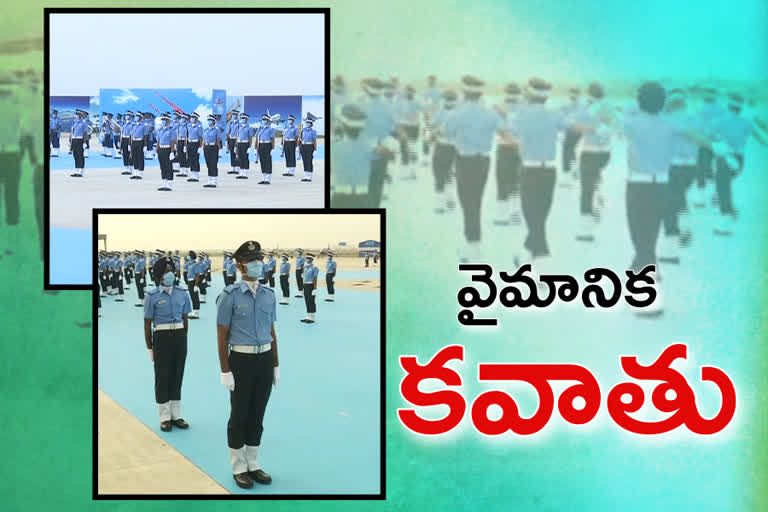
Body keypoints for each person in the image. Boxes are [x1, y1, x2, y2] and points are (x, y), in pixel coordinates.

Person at [216, 240, 279, 489]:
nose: (258, 265)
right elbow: (222, 335)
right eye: (252, 260)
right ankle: (238, 467)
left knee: (258, 413)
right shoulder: (229, 296)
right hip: (240, 361)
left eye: (259, 259)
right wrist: (225, 370)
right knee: (239, 414)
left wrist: (276, 364)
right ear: (241, 265)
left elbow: (272, 332)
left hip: (264, 359)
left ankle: (253, 464)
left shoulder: (268, 295)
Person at [443, 75, 502, 262]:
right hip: (484, 161)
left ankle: (473, 245)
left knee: (468, 203)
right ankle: (474, 243)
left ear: (464, 91)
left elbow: (447, 132)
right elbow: (504, 130)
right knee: (476, 201)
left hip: (465, 161)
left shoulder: (457, 113)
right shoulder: (491, 113)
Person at [144, 256, 192, 432]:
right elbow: (147, 324)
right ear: (158, 275)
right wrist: (150, 348)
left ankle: (176, 415)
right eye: (165, 271)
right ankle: (164, 416)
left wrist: (182, 337)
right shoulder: (152, 296)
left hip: (179, 335)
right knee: (162, 376)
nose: (169, 274)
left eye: (171, 270)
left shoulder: (182, 293)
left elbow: (186, 319)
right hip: (161, 337)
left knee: (177, 374)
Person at [710, 92, 767, 235]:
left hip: (724, 158)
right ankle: (728, 209)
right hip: (739, 160)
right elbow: (761, 139)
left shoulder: (718, 121)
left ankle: (726, 219)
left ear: (728, 105)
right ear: (740, 108)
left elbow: (707, 137)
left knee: (723, 187)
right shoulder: (747, 122)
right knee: (725, 185)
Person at [156, 113, 178, 192]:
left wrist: (172, 152)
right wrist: (157, 151)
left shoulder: (171, 130)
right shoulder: (160, 130)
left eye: (164, 120)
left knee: (168, 167)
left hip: (168, 149)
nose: (163, 121)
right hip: (161, 149)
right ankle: (164, 182)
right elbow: (158, 141)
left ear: (168, 120)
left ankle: (169, 183)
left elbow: (173, 142)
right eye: (162, 120)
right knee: (162, 167)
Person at [203, 114, 222, 188]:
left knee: (213, 164)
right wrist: (203, 147)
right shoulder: (206, 129)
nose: (209, 121)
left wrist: (220, 149)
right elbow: (204, 140)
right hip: (207, 147)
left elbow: (218, 140)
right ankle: (209, 180)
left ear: (214, 121)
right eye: (208, 120)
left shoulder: (217, 129)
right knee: (208, 164)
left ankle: (214, 181)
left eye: (210, 120)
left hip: (214, 147)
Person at [298, 113, 319, 182]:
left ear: (311, 124)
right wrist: (298, 147)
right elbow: (300, 139)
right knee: (304, 161)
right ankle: (305, 175)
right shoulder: (303, 130)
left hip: (310, 147)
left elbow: (314, 141)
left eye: (308, 123)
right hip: (303, 146)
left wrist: (315, 150)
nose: (306, 123)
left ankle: (309, 176)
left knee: (309, 161)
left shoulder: (313, 132)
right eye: (306, 122)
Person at [257, 114, 276, 184]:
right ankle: (263, 178)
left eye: (265, 119)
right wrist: (257, 148)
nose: (263, 121)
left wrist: (273, 148)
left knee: (268, 161)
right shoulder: (260, 128)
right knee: (262, 161)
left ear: (268, 121)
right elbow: (257, 138)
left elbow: (273, 139)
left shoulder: (271, 129)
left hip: (268, 145)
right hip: (261, 144)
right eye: (263, 119)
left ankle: (268, 179)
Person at [69, 109, 89, 177]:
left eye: (77, 114)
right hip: (74, 140)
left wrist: (84, 142)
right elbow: (72, 132)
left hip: (80, 140)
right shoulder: (75, 123)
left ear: (80, 115)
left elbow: (85, 133)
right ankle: (76, 170)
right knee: (75, 155)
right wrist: (70, 141)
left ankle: (80, 171)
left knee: (80, 155)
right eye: (76, 114)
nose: (76, 115)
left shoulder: (84, 122)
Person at [129, 110, 148, 180]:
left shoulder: (144, 125)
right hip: (134, 141)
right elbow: (131, 134)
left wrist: (145, 146)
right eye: (136, 116)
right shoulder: (133, 125)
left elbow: (145, 136)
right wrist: (129, 144)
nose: (136, 117)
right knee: (134, 157)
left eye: (137, 116)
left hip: (140, 141)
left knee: (140, 157)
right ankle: (135, 172)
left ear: (140, 117)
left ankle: (140, 172)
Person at [300, 253, 319, 323]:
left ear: (311, 259)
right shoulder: (305, 267)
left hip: (311, 285)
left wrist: (314, 288)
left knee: (311, 301)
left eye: (308, 258)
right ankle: (308, 315)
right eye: (306, 258)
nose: (306, 260)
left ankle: (312, 317)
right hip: (306, 285)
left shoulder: (314, 267)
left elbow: (315, 278)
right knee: (307, 300)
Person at [236, 113, 254, 179]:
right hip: (239, 143)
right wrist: (236, 145)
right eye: (241, 118)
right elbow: (237, 136)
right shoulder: (239, 127)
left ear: (247, 119)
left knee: (245, 158)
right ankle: (241, 172)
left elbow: (250, 138)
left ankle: (245, 173)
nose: (242, 119)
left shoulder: (249, 127)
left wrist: (249, 147)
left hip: (245, 144)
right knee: (240, 157)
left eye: (244, 118)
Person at [186, 112, 203, 183]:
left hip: (196, 143)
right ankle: (192, 175)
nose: (192, 118)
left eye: (193, 117)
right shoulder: (188, 125)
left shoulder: (199, 126)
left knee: (195, 159)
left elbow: (201, 137)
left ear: (196, 118)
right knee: (190, 159)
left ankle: (196, 175)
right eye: (191, 117)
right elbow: (187, 135)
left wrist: (200, 146)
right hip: (190, 143)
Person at [186, 250, 202, 319]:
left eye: (189, 255)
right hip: (190, 282)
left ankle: (196, 313)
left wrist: (196, 285)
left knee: (195, 297)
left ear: (191, 256)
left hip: (193, 282)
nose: (187, 256)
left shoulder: (196, 264)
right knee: (192, 297)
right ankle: (194, 311)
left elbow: (197, 275)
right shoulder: (190, 264)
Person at [120, 111, 134, 175]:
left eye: (128, 115)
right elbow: (121, 132)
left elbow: (131, 134)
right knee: (124, 154)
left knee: (130, 154)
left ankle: (130, 169)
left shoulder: (132, 124)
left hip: (129, 139)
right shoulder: (124, 123)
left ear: (131, 116)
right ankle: (125, 168)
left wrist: (129, 143)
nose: (126, 116)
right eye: (126, 115)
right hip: (123, 139)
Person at [227, 110, 240, 175]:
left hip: (236, 139)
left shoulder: (239, 123)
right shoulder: (231, 123)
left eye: (235, 114)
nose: (233, 115)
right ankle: (233, 168)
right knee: (232, 153)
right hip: (231, 139)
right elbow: (229, 131)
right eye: (233, 114)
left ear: (237, 115)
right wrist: (228, 140)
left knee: (237, 154)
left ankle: (237, 168)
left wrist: (237, 142)